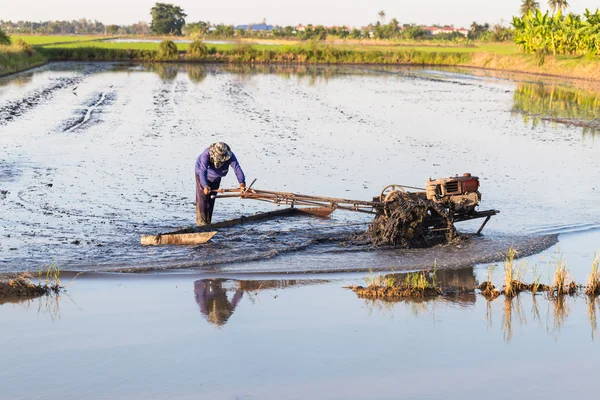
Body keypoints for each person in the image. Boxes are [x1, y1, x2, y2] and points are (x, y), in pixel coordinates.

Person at [195, 142, 246, 226]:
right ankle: (201, 224)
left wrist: (242, 183)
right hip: (202, 174)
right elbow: (203, 171)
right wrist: (205, 185)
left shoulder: (230, 155)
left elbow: (237, 168)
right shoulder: (206, 154)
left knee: (212, 197)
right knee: (203, 198)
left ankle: (208, 222)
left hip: (216, 176)